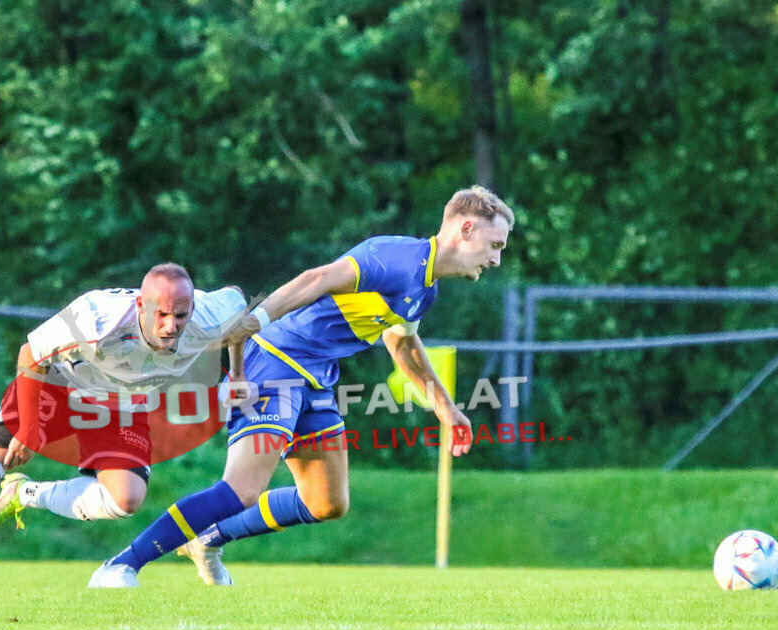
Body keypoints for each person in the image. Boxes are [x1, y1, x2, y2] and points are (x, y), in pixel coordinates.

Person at [88, 186, 515, 588]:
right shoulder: (396, 257)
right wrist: (256, 321)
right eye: (495, 246)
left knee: (327, 503)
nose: (496, 260)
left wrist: (445, 407)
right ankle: (122, 564)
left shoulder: (425, 290)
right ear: (466, 229)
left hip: (317, 378)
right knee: (241, 489)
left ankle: (205, 538)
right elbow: (317, 278)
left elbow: (401, 342)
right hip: (279, 360)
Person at [0, 263, 253, 588]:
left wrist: (235, 373)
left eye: (179, 315)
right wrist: (29, 431)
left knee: (125, 500)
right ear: (141, 306)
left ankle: (24, 494)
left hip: (121, 402)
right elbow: (30, 354)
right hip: (57, 387)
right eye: (161, 315)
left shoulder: (206, 313)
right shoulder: (97, 319)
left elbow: (239, 318)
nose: (170, 326)